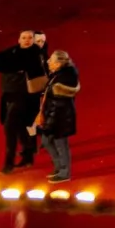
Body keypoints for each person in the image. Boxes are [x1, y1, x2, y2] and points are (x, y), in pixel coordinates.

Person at [0, 29, 47, 173]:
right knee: (20, 127)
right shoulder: (16, 52)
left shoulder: (34, 53)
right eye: (23, 38)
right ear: (19, 40)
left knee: (10, 127)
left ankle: (8, 163)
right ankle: (28, 155)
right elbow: (0, 56)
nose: (26, 40)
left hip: (23, 96)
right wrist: (0, 63)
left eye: (29, 38)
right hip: (9, 93)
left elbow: (10, 64)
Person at [33, 49, 80, 184]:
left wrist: (48, 123)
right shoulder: (60, 74)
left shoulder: (62, 80)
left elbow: (56, 106)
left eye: (51, 61)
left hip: (59, 119)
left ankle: (64, 173)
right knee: (47, 142)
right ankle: (59, 168)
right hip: (54, 116)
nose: (48, 62)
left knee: (60, 144)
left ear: (58, 64)